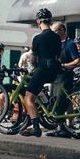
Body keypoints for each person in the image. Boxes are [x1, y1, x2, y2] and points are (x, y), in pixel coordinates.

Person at [20, 8, 62, 137]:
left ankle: (36, 128)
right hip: (55, 69)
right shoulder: (56, 37)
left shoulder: (37, 38)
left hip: (43, 69)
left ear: (38, 22)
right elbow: (58, 54)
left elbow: (33, 58)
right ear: (50, 21)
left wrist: (32, 68)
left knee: (28, 97)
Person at [47, 21, 80, 138]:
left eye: (55, 31)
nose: (53, 34)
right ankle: (60, 127)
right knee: (55, 101)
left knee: (62, 102)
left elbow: (77, 61)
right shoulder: (56, 44)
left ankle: (63, 128)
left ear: (62, 30)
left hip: (66, 76)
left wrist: (65, 65)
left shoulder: (70, 44)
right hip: (56, 77)